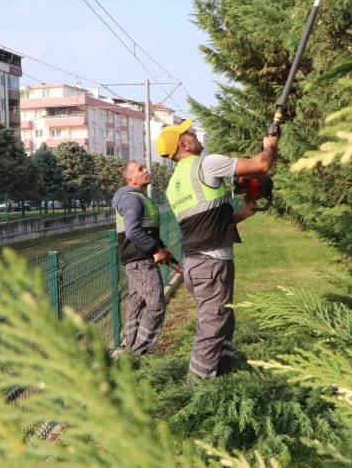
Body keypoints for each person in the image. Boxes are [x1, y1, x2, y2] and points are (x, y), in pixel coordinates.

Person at [157, 119, 278, 386]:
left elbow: (206, 225)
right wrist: (269, 146)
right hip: (211, 265)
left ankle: (222, 380)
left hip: (197, 264)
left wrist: (242, 214)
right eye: (190, 133)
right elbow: (261, 165)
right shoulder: (206, 164)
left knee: (222, 322)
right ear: (184, 144)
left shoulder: (173, 184)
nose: (195, 134)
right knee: (211, 330)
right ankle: (194, 393)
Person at [112, 161, 172, 355]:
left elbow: (147, 229)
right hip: (140, 260)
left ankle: (131, 349)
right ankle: (138, 353)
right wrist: (155, 249)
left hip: (139, 259)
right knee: (155, 306)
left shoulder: (140, 198)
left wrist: (161, 246)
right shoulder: (131, 199)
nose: (146, 170)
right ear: (131, 179)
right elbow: (133, 232)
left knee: (137, 304)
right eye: (140, 169)